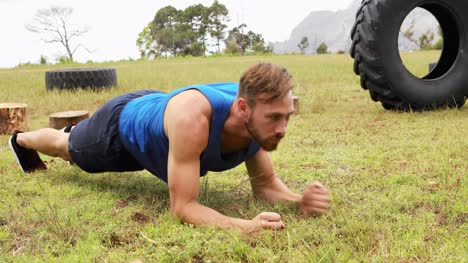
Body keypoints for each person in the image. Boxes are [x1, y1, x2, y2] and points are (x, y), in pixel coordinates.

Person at [9, 63, 330, 234]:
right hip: (120, 129)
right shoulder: (195, 120)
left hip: (157, 110)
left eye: (287, 117)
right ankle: (21, 140)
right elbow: (183, 207)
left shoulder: (255, 124)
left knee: (72, 141)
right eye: (274, 118)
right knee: (67, 147)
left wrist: (298, 199)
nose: (282, 129)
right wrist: (243, 227)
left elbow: (266, 186)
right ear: (243, 108)